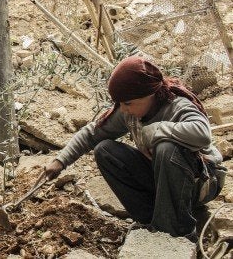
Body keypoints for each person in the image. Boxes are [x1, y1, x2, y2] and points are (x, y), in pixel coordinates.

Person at [44, 56, 225, 241]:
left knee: (166, 147)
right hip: (164, 181)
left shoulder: (177, 105)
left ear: (149, 95)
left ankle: (178, 232)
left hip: (202, 183)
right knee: (104, 150)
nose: (123, 109)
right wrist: (60, 161)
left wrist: (155, 130)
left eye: (128, 103)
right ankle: (150, 221)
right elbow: (93, 133)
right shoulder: (130, 112)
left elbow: (203, 134)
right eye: (120, 103)